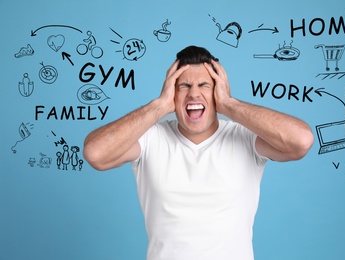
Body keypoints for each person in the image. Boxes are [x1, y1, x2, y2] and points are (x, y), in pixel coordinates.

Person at [83, 46, 314, 260]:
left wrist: (229, 104)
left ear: (217, 92)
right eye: (184, 86)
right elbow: (95, 153)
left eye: (204, 85)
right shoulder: (150, 140)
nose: (193, 94)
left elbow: (301, 141)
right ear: (172, 93)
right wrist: (159, 106)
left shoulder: (245, 138)